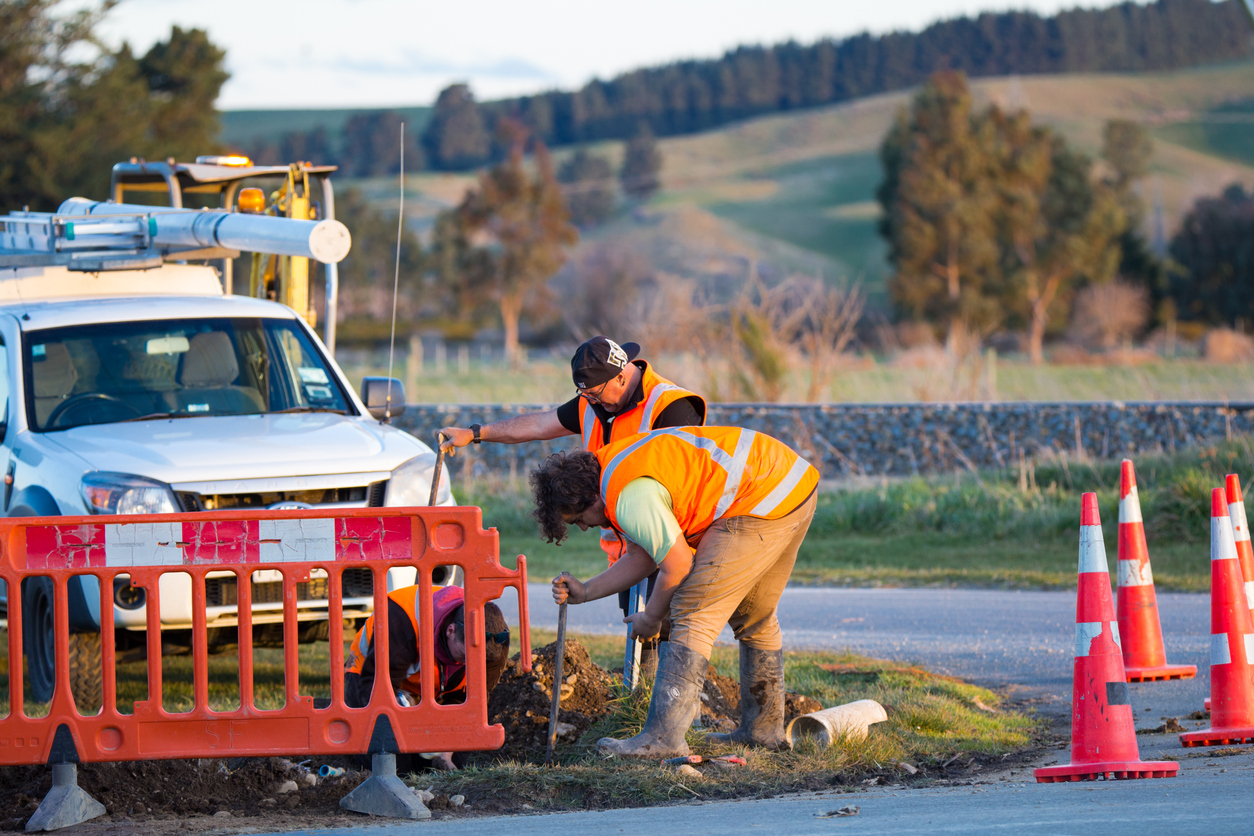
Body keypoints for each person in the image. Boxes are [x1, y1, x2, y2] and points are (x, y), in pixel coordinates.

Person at [532, 426, 819, 758]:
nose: (583, 526)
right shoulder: (617, 473)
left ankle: (662, 739)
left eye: (579, 518)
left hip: (759, 496)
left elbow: (677, 565)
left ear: (590, 498)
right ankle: (763, 733)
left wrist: (652, 618)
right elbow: (644, 555)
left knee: (692, 610)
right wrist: (586, 591)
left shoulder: (629, 496)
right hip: (790, 485)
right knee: (755, 615)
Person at [440, 336, 706, 619]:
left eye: (595, 393)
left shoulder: (671, 407)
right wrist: (476, 433)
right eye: (586, 395)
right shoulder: (592, 403)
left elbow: (681, 486)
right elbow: (540, 424)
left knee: (672, 634)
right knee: (639, 639)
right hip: (627, 552)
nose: (590, 402)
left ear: (620, 376)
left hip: (674, 546)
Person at [344, 584, 511, 771]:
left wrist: (447, 749)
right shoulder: (402, 620)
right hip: (373, 676)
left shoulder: (496, 641)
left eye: (479, 661)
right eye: (465, 657)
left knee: (450, 766)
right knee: (392, 764)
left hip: (436, 686)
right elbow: (375, 691)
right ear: (450, 631)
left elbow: (471, 701)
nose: (469, 665)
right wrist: (407, 728)